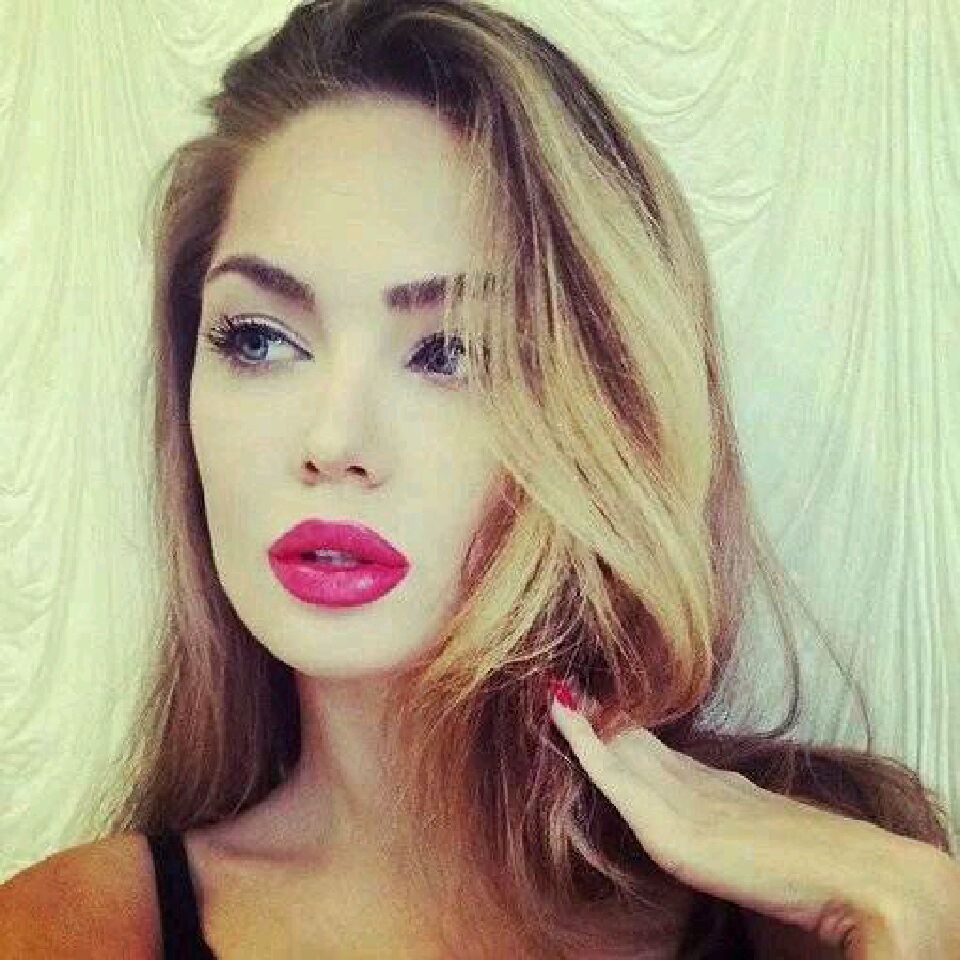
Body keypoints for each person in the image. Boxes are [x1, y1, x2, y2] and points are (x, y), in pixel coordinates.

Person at [1, 1, 955, 957]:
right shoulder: (78, 929)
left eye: (453, 352)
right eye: (259, 339)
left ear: (603, 412)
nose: (333, 440)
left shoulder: (826, 886)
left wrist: (916, 914)